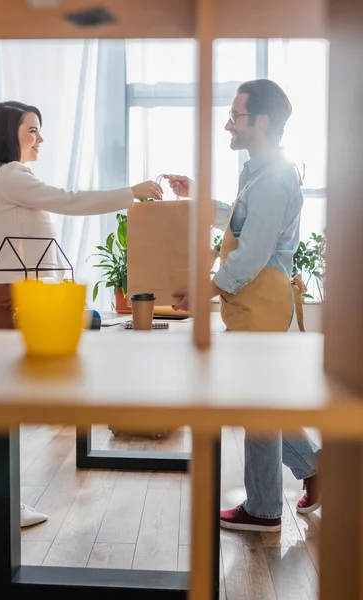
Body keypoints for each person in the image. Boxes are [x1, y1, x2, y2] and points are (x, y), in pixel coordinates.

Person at [0, 100, 163, 529]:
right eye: (32, 130)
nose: (40, 139)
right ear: (9, 134)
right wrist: (132, 191)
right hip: (7, 300)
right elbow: (70, 201)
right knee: (6, 406)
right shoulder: (12, 175)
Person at [164, 79, 320, 532]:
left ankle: (266, 509)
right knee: (260, 399)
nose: (228, 123)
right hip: (259, 303)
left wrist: (207, 290)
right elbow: (241, 218)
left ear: (262, 122)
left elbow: (251, 253)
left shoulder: (272, 177)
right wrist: (197, 197)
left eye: (236, 115)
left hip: (263, 303)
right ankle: (316, 468)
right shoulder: (260, 171)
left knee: (257, 403)